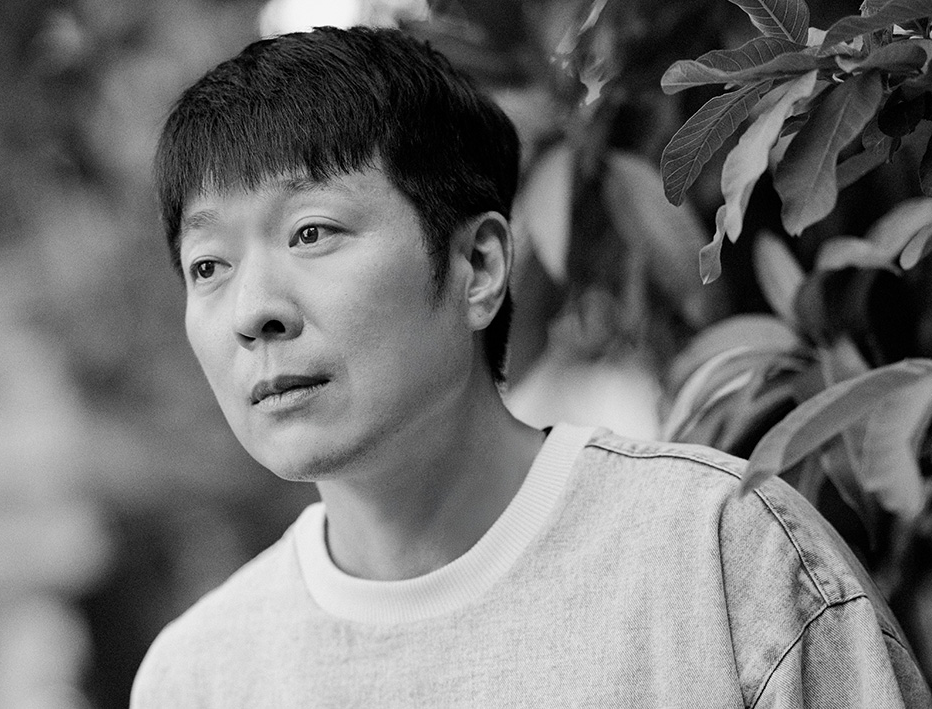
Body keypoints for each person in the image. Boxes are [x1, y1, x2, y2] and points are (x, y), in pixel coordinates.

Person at [131, 25, 932, 708]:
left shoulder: (724, 561)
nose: (252, 311)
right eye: (209, 265)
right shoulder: (197, 677)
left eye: (312, 232)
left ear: (478, 266)